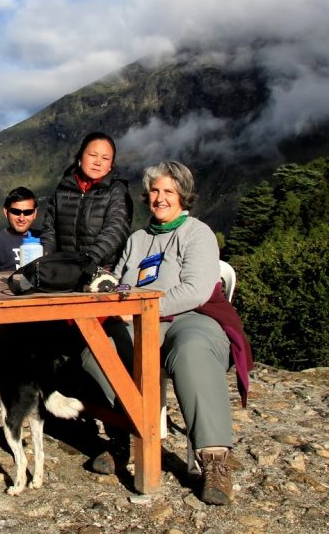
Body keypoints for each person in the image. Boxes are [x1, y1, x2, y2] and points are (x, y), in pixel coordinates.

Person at [80, 161, 252, 506]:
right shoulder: (138, 239)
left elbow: (196, 290)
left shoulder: (197, 233)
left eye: (168, 191)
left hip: (191, 317)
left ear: (182, 195)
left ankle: (215, 460)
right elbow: (124, 283)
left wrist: (139, 310)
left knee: (193, 350)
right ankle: (122, 437)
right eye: (155, 191)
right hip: (139, 321)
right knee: (97, 350)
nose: (160, 198)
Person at [40, 131, 133, 269]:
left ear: (110, 166)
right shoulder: (63, 189)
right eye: (92, 155)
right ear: (80, 157)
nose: (98, 162)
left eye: (105, 158)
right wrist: (45, 261)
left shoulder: (117, 191)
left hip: (102, 271)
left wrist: (87, 261)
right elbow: (50, 230)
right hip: (64, 269)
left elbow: (115, 232)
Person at [0, 186, 39, 272]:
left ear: (35, 213)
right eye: (16, 212)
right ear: (6, 212)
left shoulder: (46, 239)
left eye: (27, 212)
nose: (21, 218)